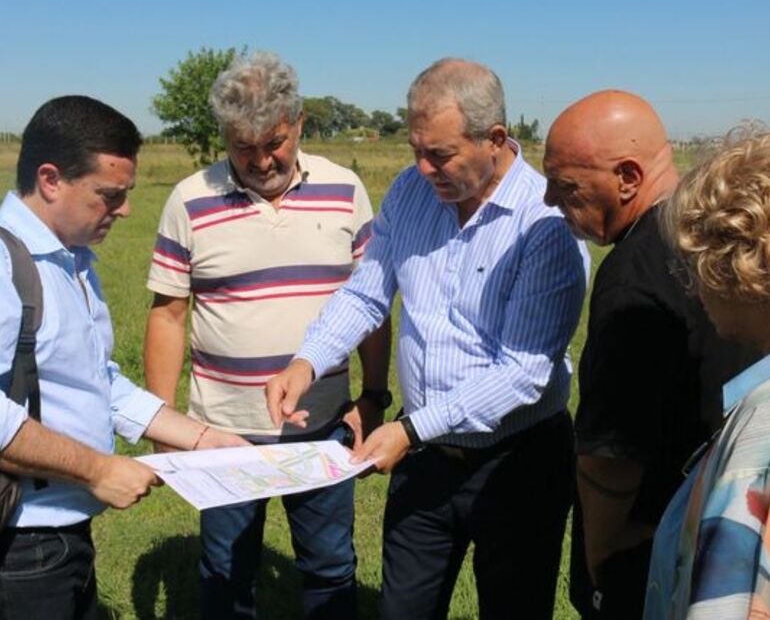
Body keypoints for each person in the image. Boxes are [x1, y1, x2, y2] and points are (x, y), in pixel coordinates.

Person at [266, 57, 589, 620]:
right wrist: (307, 362)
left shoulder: (545, 223)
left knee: (514, 607)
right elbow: (367, 294)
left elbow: (523, 374)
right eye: (415, 148)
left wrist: (410, 429)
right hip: (426, 458)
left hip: (517, 460)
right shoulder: (411, 193)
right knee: (403, 608)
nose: (422, 167)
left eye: (439, 154)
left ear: (494, 139)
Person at [144, 51, 390, 620]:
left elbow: (372, 304)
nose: (260, 160)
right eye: (242, 147)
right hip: (221, 432)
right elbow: (168, 315)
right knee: (226, 572)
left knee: (330, 565)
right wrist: (161, 419)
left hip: (324, 425)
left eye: (273, 142)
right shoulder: (189, 198)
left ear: (299, 122)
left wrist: (374, 396)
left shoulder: (346, 189)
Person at [0, 95, 247, 620]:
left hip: (63, 536)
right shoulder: (4, 268)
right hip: (19, 546)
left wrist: (203, 438)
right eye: (109, 195)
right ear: (50, 180)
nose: (126, 210)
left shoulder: (73, 262)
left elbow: (99, 382)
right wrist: (97, 470)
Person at [543, 90, 755, 619]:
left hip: (646, 545)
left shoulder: (631, 278)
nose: (549, 200)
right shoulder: (713, 240)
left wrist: (600, 552)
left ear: (628, 178)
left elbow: (611, 452)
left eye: (565, 186)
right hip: (718, 525)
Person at [644, 129, 770, 619]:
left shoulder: (759, 441)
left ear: (742, 266)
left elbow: (731, 603)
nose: (693, 289)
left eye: (695, 266)